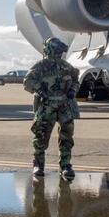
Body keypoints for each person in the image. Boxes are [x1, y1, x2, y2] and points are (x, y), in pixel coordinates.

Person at [23, 37, 79, 180]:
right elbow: (27, 81)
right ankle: (38, 164)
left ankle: (65, 165)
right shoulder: (41, 66)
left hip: (64, 106)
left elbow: (75, 80)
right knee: (41, 136)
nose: (58, 48)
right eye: (55, 45)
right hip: (46, 106)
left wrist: (73, 90)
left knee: (67, 136)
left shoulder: (66, 66)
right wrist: (39, 90)